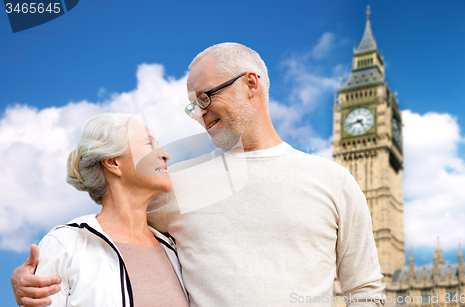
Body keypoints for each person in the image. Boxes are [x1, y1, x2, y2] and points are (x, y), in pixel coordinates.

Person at [12, 43, 385, 307]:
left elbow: (365, 288)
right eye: (193, 105)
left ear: (250, 84)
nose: (198, 114)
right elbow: (112, 227)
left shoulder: (334, 182)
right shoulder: (176, 186)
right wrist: (35, 277)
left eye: (205, 98)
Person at [11, 113, 190, 307]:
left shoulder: (174, 249)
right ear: (113, 163)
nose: (165, 154)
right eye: (149, 144)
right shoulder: (66, 245)